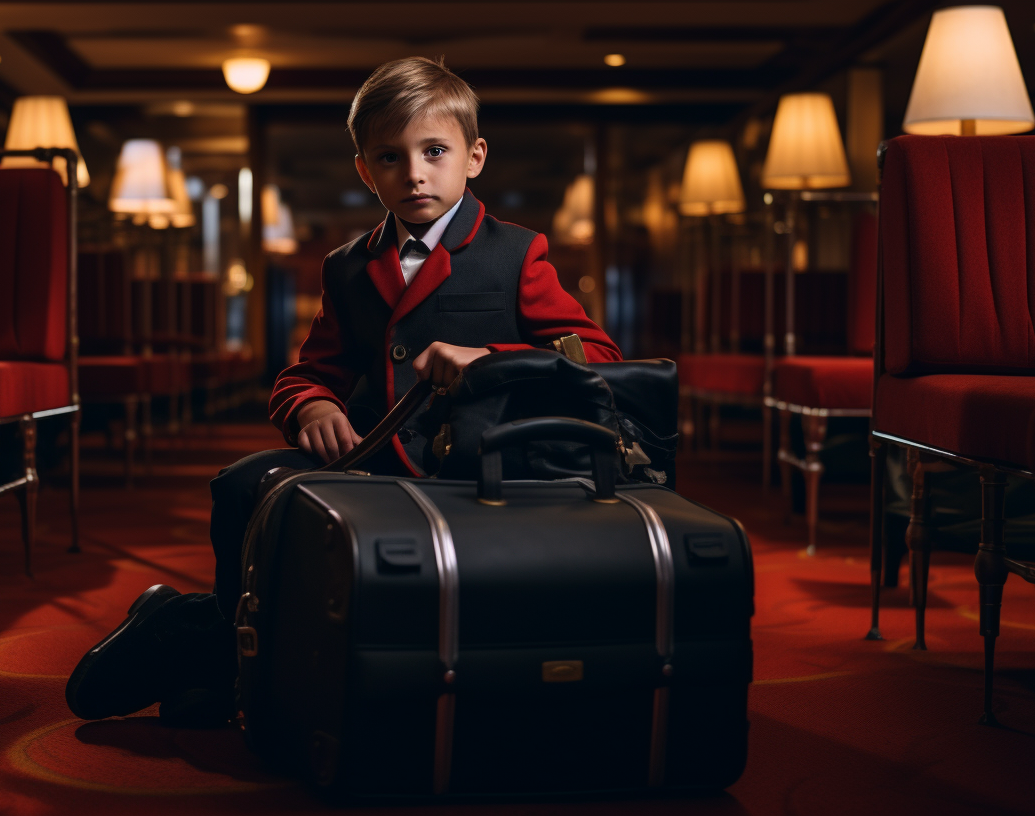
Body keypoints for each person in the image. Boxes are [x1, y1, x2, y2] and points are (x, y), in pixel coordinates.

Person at [65, 56, 623, 727]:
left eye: (435, 151)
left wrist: (492, 357)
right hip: (371, 459)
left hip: (476, 465)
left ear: (473, 158)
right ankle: (235, 656)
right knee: (243, 485)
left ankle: (190, 636)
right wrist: (315, 405)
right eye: (390, 156)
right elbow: (307, 373)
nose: (414, 172)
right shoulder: (347, 267)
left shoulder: (518, 252)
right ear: (365, 170)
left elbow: (597, 357)